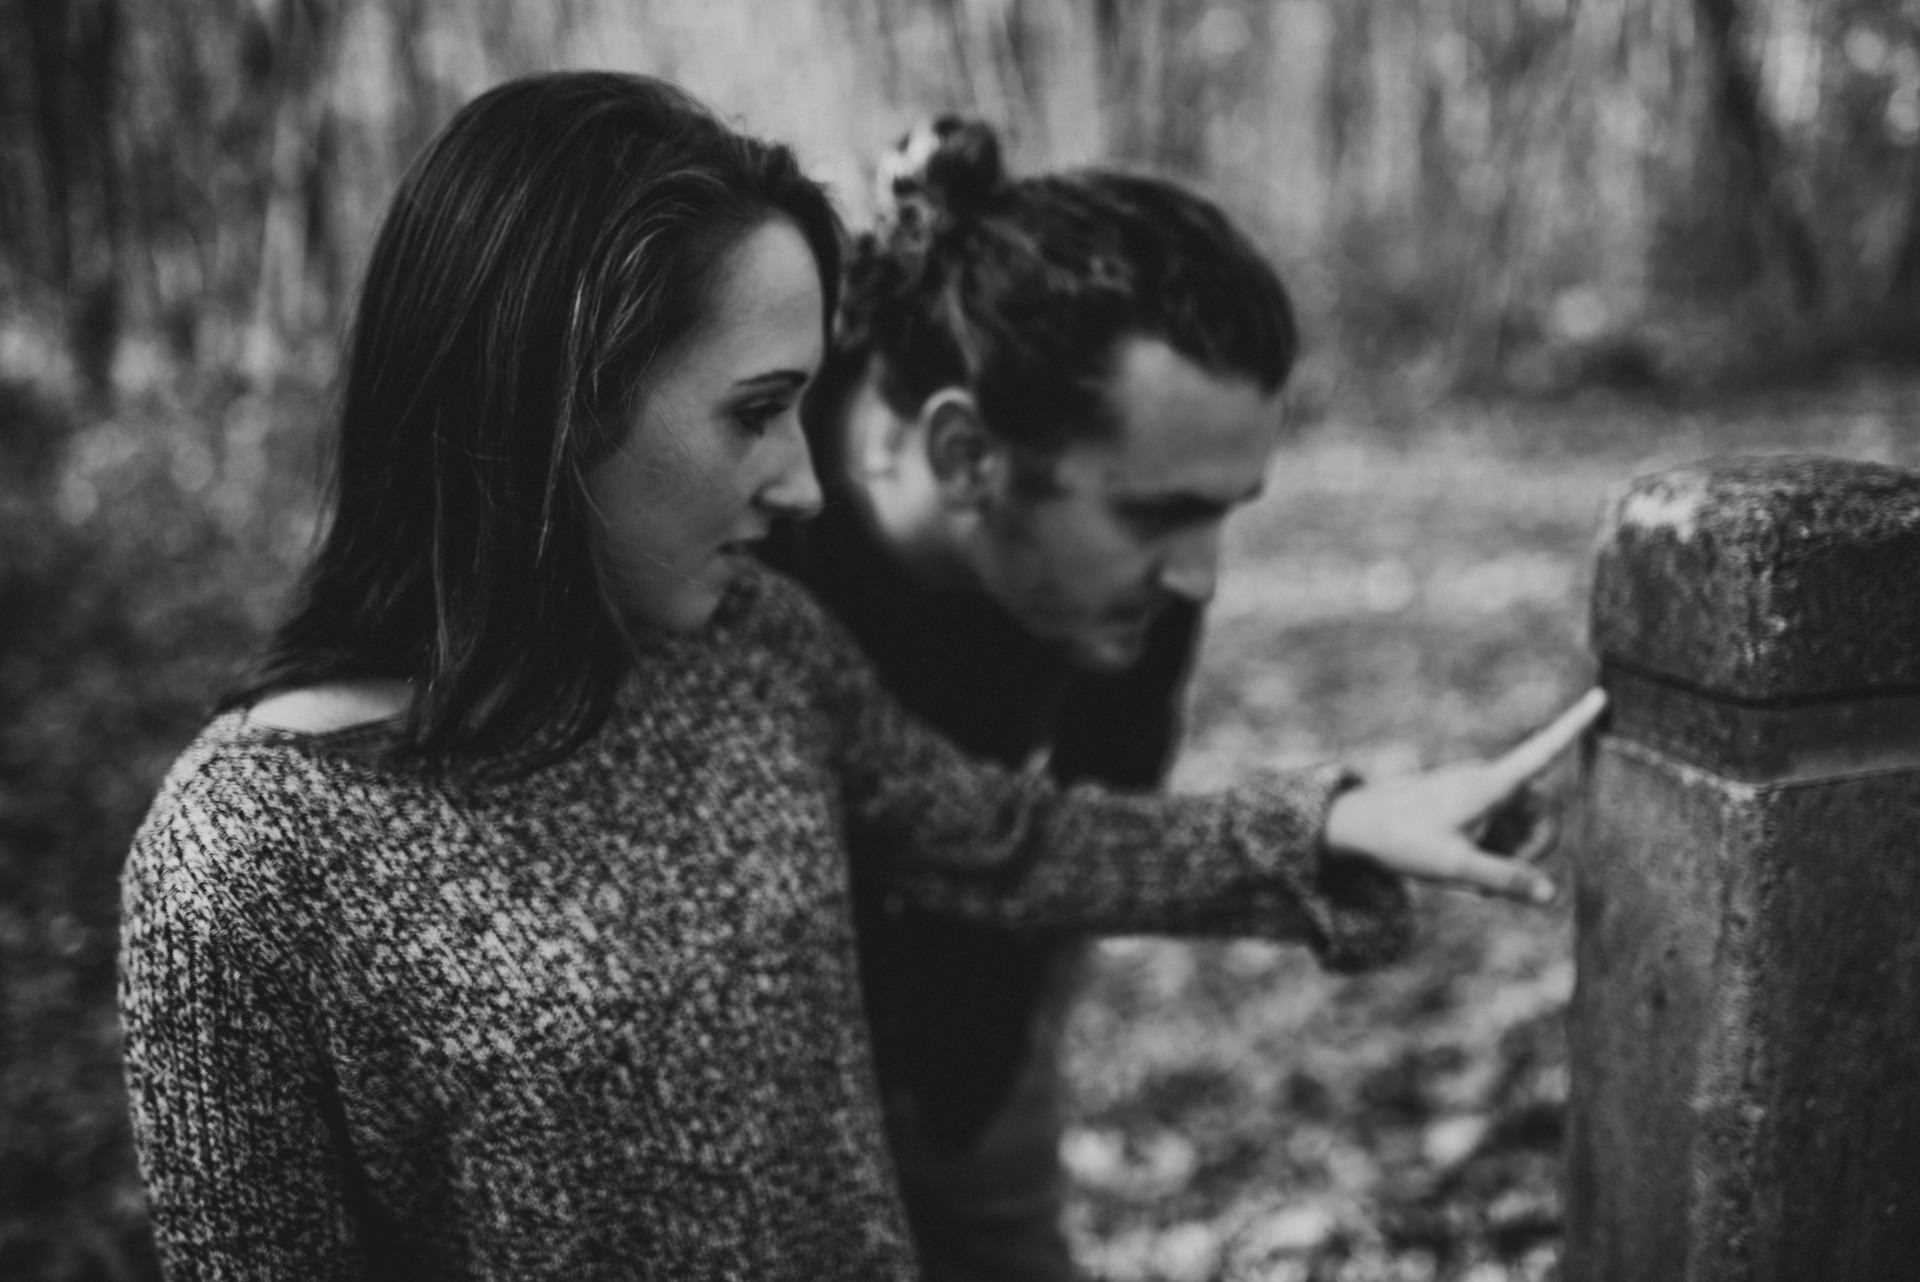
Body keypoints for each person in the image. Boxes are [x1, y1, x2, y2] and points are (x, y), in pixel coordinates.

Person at [118, 72, 1603, 1281]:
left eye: (807, 404)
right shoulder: (248, 860)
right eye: (759, 410)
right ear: (542, 403)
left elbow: (1008, 835)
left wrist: (1339, 822)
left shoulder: (749, 652)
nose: (805, 482)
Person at [757, 116, 1320, 1280]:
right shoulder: (741, 508)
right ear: (966, 456)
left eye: (1227, 509)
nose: (1201, 575)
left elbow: (1101, 809)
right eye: (1159, 512)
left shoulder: (1137, 583)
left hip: (981, 1040)